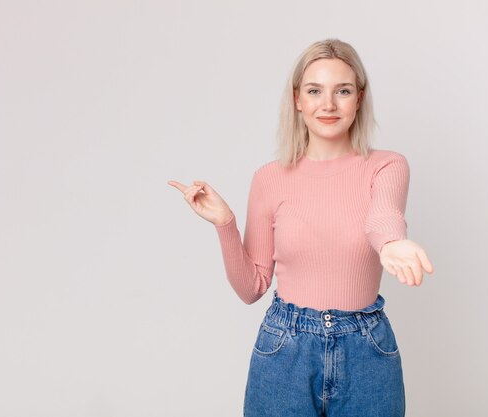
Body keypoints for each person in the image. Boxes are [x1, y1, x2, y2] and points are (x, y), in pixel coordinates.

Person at [168, 38, 434, 417]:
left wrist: (391, 242)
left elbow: (382, 217)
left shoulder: (387, 166)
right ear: (297, 99)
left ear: (359, 98)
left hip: (366, 350)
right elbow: (251, 288)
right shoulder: (269, 179)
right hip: (285, 348)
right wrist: (225, 224)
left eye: (342, 91)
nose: (328, 104)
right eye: (315, 91)